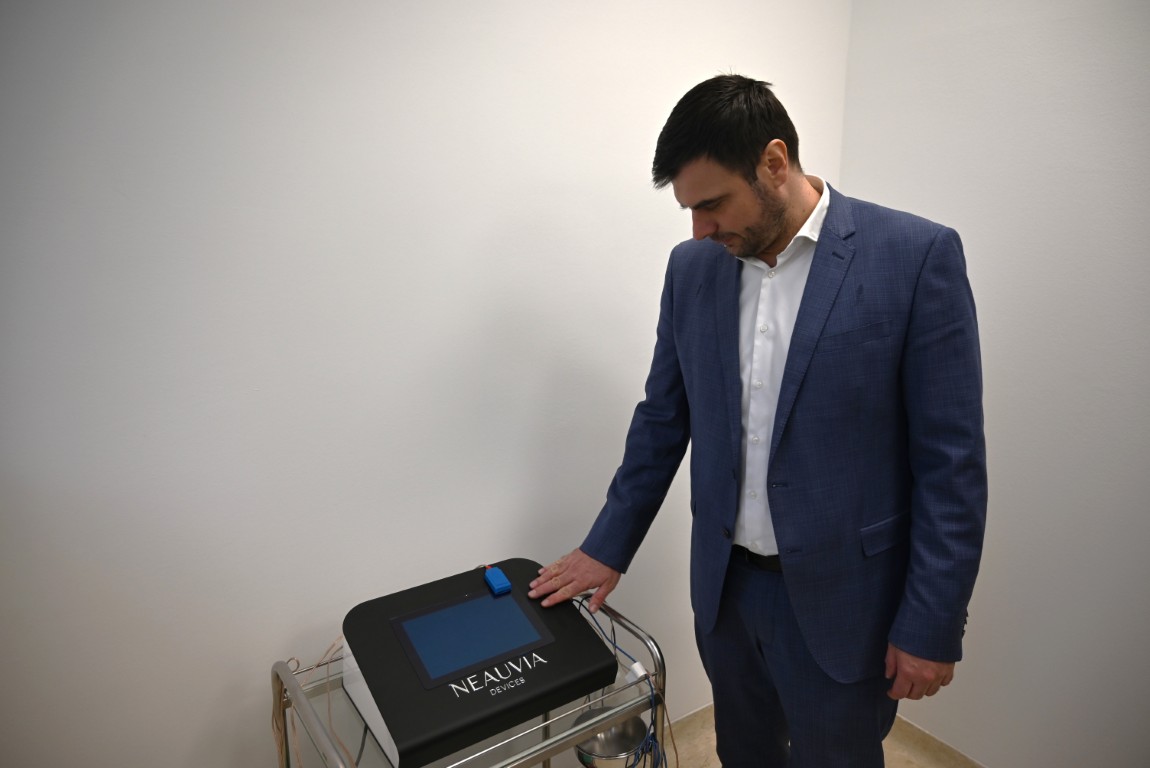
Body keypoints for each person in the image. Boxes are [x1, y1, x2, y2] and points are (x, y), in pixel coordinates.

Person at [528, 74, 987, 767]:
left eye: (712, 204)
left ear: (774, 162)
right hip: (726, 595)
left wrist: (932, 620)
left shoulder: (915, 257)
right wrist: (608, 545)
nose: (700, 229)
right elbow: (662, 419)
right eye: (689, 210)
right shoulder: (692, 269)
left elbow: (951, 465)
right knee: (744, 754)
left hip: (846, 605)